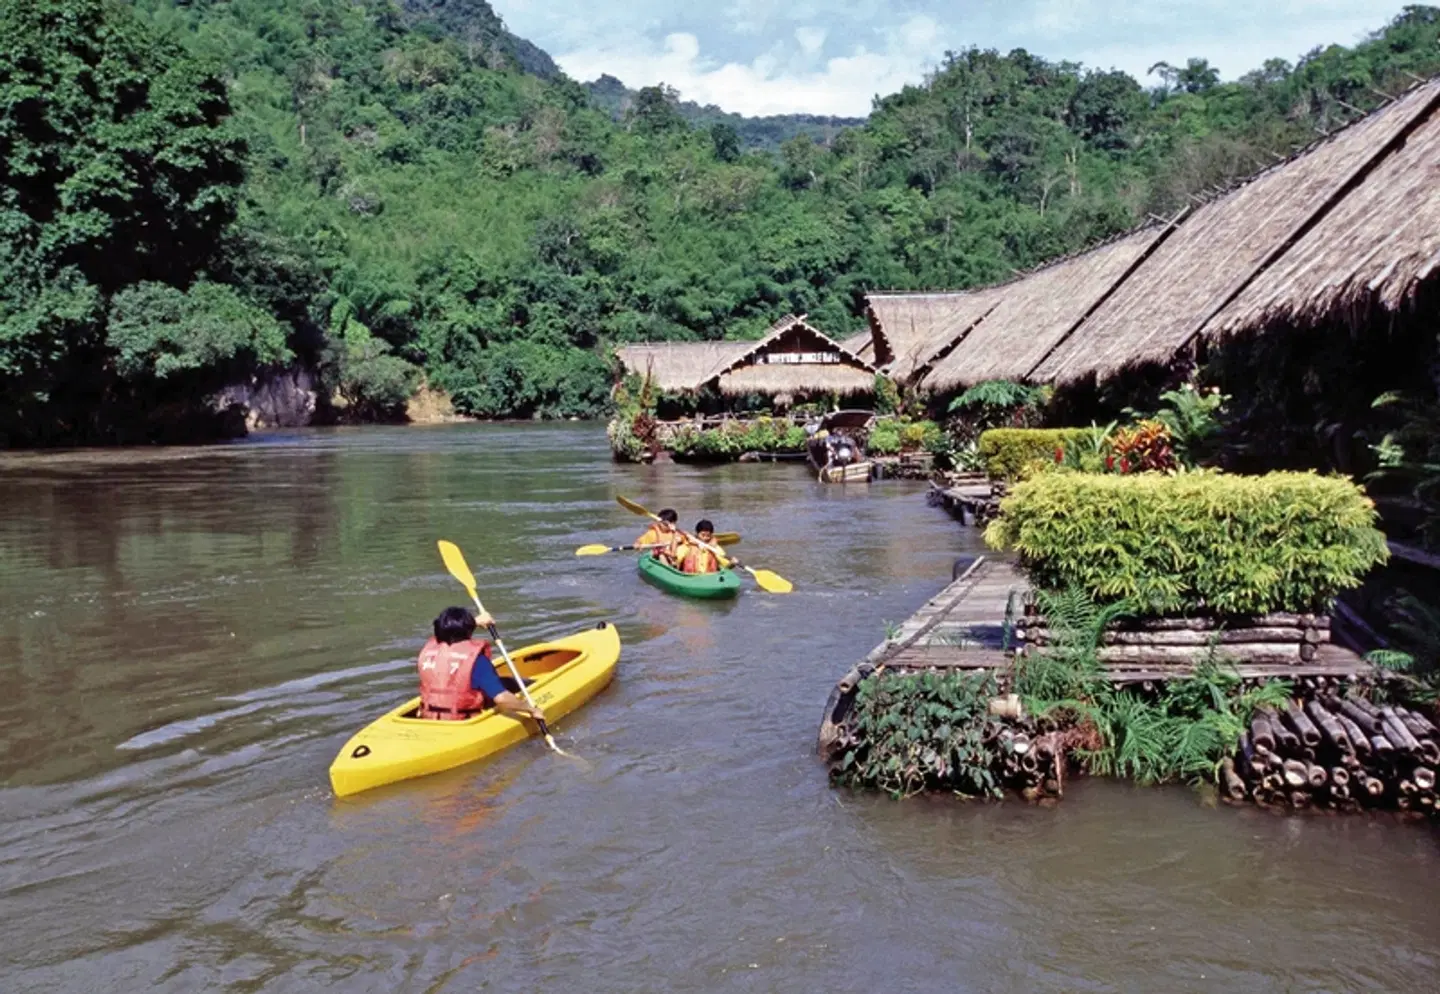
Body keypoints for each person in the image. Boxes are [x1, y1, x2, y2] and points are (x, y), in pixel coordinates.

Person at [417, 606, 546, 723]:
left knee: (505, 681)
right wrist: (531, 709)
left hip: (429, 716)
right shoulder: (476, 661)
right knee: (512, 684)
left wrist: (476, 621)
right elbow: (501, 699)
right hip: (463, 720)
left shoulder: (430, 651)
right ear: (468, 631)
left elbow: (447, 632)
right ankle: (534, 685)